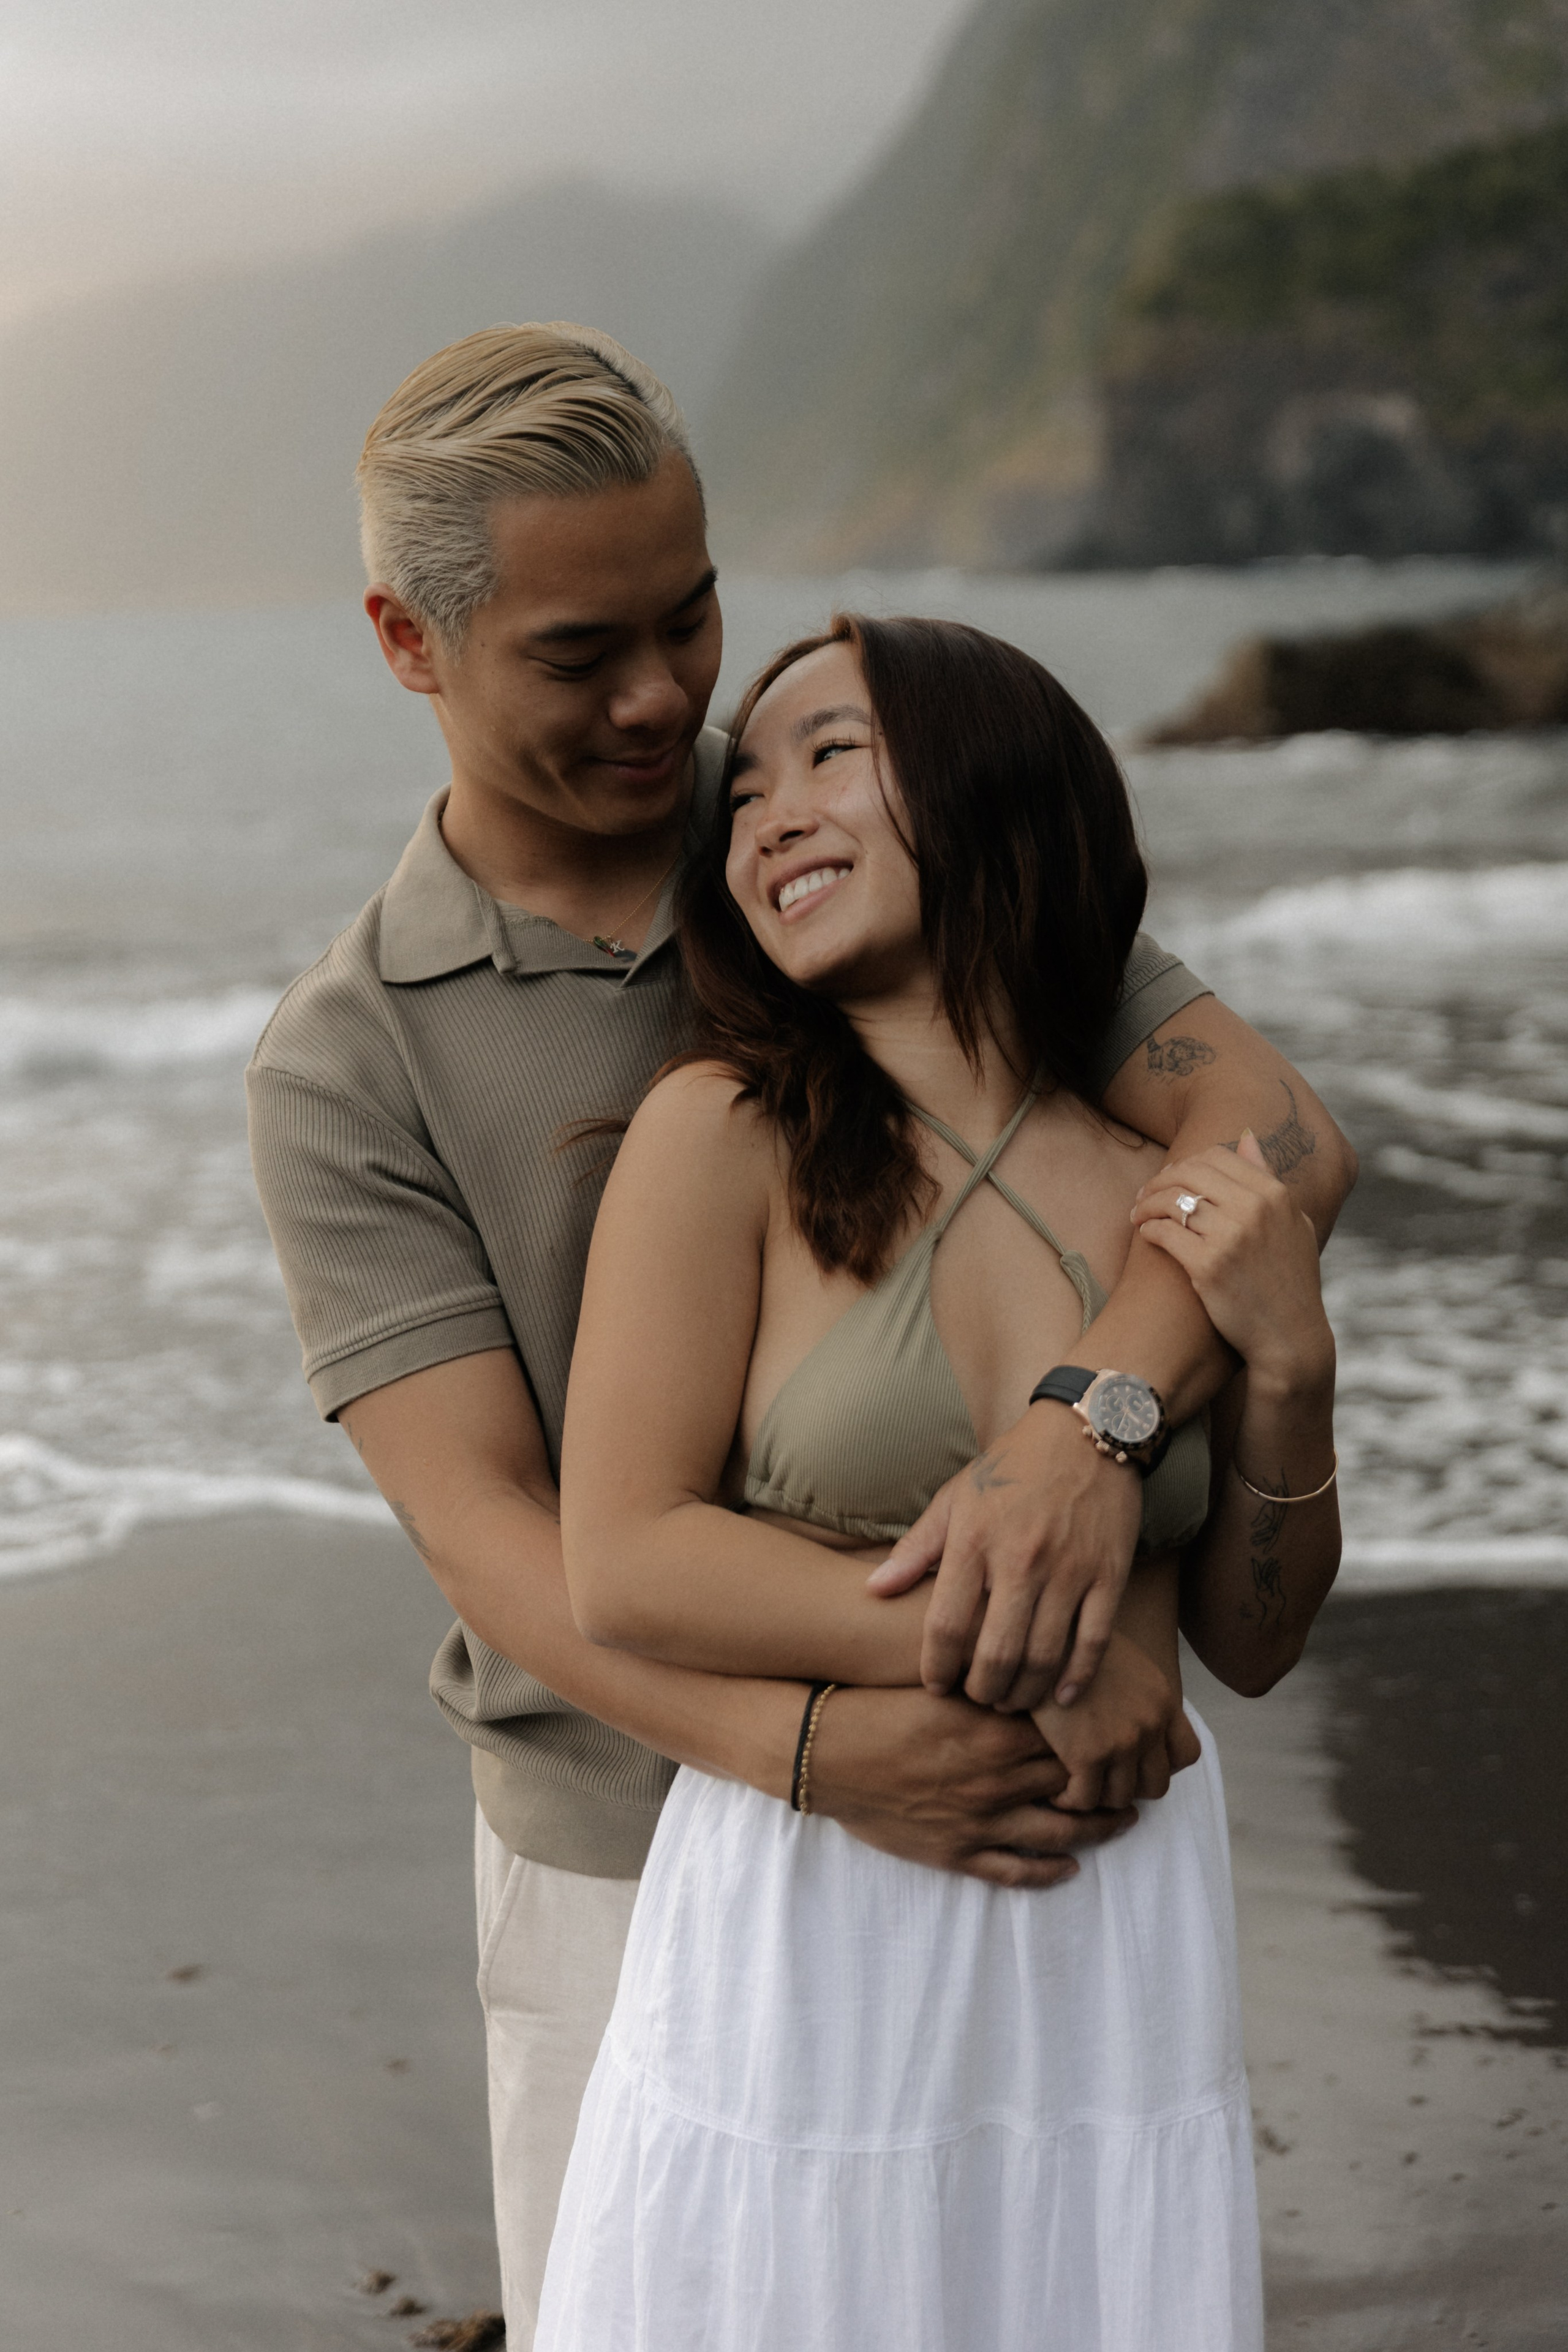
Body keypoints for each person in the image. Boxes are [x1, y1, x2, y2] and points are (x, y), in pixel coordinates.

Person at [246, 325, 1356, 2348]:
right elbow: (506, 1535)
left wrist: (1080, 1445)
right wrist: (827, 1749)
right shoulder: (354, 1057)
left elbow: (1266, 1141)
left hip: (1044, 1808)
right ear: (415, 643)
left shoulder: (845, 842)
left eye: (694, 621)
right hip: (620, 1844)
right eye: (586, 656)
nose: (670, 700)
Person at [538, 614, 1343, 2350]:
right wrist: (1039, 1651)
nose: (766, 814)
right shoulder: (721, 1131)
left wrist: (1294, 1381)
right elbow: (625, 1560)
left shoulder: (1169, 1185)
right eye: (745, 790)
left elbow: (1255, 1647)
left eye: (833, 752)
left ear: (994, 784)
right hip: (821, 1893)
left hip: (1114, 1915)